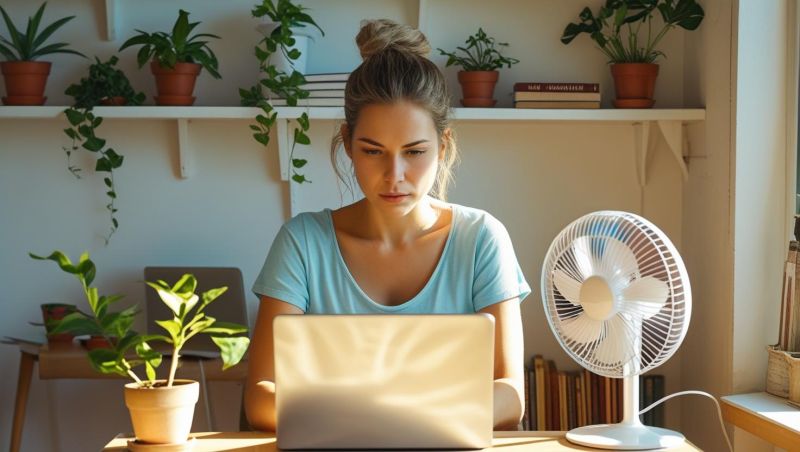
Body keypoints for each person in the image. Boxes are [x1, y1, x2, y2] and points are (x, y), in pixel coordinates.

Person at [245, 18, 531, 432]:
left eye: (414, 152)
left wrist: (386, 417)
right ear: (347, 143)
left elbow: (511, 395)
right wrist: (391, 417)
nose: (394, 175)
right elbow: (260, 396)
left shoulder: (482, 238)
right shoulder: (303, 242)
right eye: (373, 151)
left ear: (443, 145)